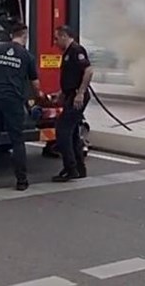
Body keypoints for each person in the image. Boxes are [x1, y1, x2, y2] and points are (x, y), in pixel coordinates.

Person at [0, 22, 39, 191]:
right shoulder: (27, 56)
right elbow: (35, 83)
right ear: (24, 36)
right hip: (12, 100)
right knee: (17, 140)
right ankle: (21, 180)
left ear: (11, 35)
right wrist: (38, 97)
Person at [52, 25, 92, 183]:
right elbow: (71, 78)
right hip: (71, 95)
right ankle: (79, 169)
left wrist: (80, 93)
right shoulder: (68, 53)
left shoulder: (76, 50)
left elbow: (88, 71)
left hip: (77, 96)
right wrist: (61, 94)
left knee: (62, 131)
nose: (55, 42)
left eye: (56, 38)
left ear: (64, 36)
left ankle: (70, 168)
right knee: (74, 133)